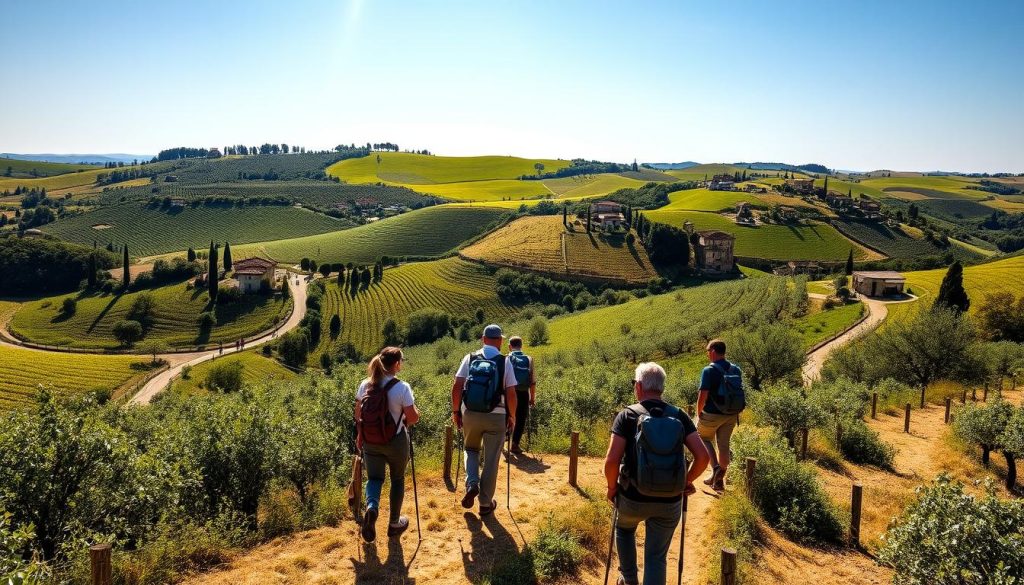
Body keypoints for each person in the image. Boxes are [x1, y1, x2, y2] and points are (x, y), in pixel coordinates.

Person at [604, 362, 710, 585]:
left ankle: (629, 579)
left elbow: (611, 461)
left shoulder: (627, 415)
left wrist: (612, 488)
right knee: (656, 557)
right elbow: (703, 457)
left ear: (639, 386)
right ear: (661, 388)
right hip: (669, 500)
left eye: (635, 383)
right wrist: (685, 481)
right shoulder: (679, 416)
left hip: (632, 496)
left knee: (623, 530)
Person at [451, 324, 518, 515]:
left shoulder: (470, 358)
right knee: (491, 459)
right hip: (497, 417)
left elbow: (457, 387)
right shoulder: (504, 362)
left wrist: (456, 412)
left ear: (483, 339)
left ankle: (472, 482)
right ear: (500, 341)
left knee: (470, 449)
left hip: (471, 413)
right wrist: (511, 416)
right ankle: (485, 504)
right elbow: (511, 393)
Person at [356, 346, 420, 542]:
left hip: (370, 441)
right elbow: (412, 418)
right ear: (397, 364)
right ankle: (394, 523)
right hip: (396, 441)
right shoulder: (402, 387)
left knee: (374, 479)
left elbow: (358, 415)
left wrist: (360, 436)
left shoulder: (365, 385)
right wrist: (416, 412)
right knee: (397, 479)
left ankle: (371, 507)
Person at [696, 339, 743, 492]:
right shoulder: (736, 370)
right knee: (724, 445)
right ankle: (719, 480)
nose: (707, 354)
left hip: (711, 414)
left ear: (714, 351)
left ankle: (715, 468)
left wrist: (699, 413)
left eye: (708, 351)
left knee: (703, 437)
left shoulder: (708, 370)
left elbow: (703, 395)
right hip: (731, 414)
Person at [507, 336, 536, 455]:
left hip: (509, 392)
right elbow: (533, 382)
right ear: (521, 346)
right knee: (520, 418)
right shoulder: (528, 359)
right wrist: (532, 398)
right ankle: (515, 444)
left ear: (510, 346)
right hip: (523, 392)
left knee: (507, 415)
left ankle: (505, 439)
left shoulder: (506, 358)